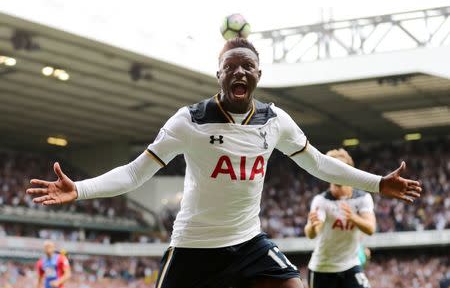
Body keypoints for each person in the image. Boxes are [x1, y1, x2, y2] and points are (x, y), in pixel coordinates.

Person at [27, 38, 421, 288]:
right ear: (219, 75)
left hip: (247, 241)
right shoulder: (190, 121)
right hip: (194, 246)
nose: (239, 71)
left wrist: (377, 183)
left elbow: (318, 163)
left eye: (247, 66)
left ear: (258, 76)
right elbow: (134, 173)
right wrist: (79, 189)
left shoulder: (275, 121)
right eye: (231, 66)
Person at [305, 149, 375, 288]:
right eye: (331, 169)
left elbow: (370, 229)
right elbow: (311, 234)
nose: (335, 173)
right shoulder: (321, 200)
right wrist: (313, 226)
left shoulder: (363, 198)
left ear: (349, 172)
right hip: (322, 268)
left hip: (350, 265)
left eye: (339, 168)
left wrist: (353, 218)